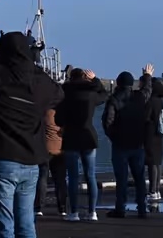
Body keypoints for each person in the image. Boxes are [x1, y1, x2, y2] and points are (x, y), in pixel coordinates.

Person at [0, 0, 63, 238]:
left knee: (3, 228)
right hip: (31, 163)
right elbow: (59, 94)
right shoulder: (42, 84)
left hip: (1, 161)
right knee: (26, 226)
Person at [101, 67, 157, 219]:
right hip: (137, 144)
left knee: (121, 179)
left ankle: (120, 208)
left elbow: (108, 123)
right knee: (139, 178)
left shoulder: (113, 100)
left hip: (120, 146)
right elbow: (147, 90)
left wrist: (115, 138)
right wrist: (147, 76)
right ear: (132, 84)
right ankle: (142, 208)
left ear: (118, 83)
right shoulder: (139, 98)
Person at [57, 68, 107, 221]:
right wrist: (95, 80)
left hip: (71, 137)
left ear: (70, 78)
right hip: (88, 136)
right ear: (85, 78)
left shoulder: (64, 95)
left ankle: (74, 212)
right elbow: (104, 95)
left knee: (72, 177)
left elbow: (58, 119)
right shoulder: (91, 94)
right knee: (90, 175)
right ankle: (92, 212)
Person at [34, 107, 67, 219]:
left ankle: (38, 207)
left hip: (45, 149)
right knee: (60, 180)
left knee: (42, 178)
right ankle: (62, 207)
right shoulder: (62, 114)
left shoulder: (44, 113)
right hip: (60, 149)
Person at [144, 71, 163, 203]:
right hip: (159, 134)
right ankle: (157, 190)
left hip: (150, 134)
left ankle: (152, 190)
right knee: (158, 162)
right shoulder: (160, 101)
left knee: (151, 163)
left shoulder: (150, 101)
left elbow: (146, 117)